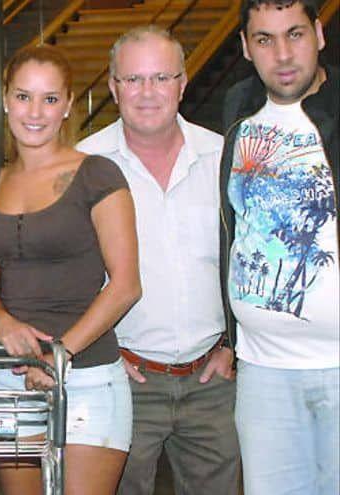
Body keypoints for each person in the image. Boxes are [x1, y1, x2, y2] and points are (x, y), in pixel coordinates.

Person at [75, 25, 241, 495]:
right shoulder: (85, 166)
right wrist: (97, 351)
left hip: (213, 381)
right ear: (112, 87)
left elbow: (250, 261)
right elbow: (65, 273)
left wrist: (236, 346)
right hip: (123, 381)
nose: (147, 93)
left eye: (161, 78)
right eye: (133, 80)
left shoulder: (223, 157)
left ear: (183, 84)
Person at [0, 44, 141, 495]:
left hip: (86, 377)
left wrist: (58, 356)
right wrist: (3, 319)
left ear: (68, 104)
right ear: (6, 99)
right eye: (23, 96)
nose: (35, 112)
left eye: (50, 99)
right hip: (8, 377)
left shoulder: (97, 174)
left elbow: (126, 284)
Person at [219, 0, 339, 493]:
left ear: (319, 34)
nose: (283, 54)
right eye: (265, 40)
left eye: (295, 34)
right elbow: (229, 224)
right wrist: (228, 339)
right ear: (247, 48)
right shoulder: (235, 112)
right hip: (263, 370)